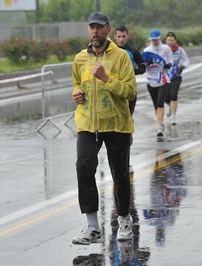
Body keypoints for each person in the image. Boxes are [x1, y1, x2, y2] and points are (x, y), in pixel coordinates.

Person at [71, 12, 136, 245]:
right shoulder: (80, 58)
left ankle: (125, 219)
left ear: (108, 30)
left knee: (119, 173)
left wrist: (106, 77)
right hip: (88, 123)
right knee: (83, 168)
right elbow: (78, 84)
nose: (95, 32)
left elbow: (130, 91)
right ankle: (92, 226)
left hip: (117, 124)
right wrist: (76, 94)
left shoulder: (121, 57)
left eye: (99, 28)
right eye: (91, 28)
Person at [142, 29, 173, 137]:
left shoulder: (166, 49)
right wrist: (147, 64)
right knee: (156, 105)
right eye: (152, 40)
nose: (154, 41)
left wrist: (169, 65)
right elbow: (142, 66)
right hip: (151, 81)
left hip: (164, 80)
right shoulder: (147, 51)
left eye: (156, 39)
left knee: (160, 102)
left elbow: (171, 60)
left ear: (160, 38)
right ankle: (161, 122)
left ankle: (159, 127)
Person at [113, 25, 146, 117]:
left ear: (128, 36)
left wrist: (130, 72)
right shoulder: (110, 51)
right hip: (115, 86)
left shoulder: (133, 51)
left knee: (128, 116)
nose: (121, 39)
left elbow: (143, 68)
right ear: (114, 36)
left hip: (130, 86)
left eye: (123, 36)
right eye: (119, 37)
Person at [164, 31, 190, 125]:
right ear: (166, 41)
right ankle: (171, 106)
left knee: (173, 95)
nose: (170, 42)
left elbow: (186, 60)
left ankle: (173, 117)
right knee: (165, 96)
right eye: (168, 40)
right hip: (165, 76)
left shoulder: (179, 50)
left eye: (172, 40)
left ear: (175, 40)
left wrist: (182, 67)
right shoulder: (163, 50)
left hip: (176, 75)